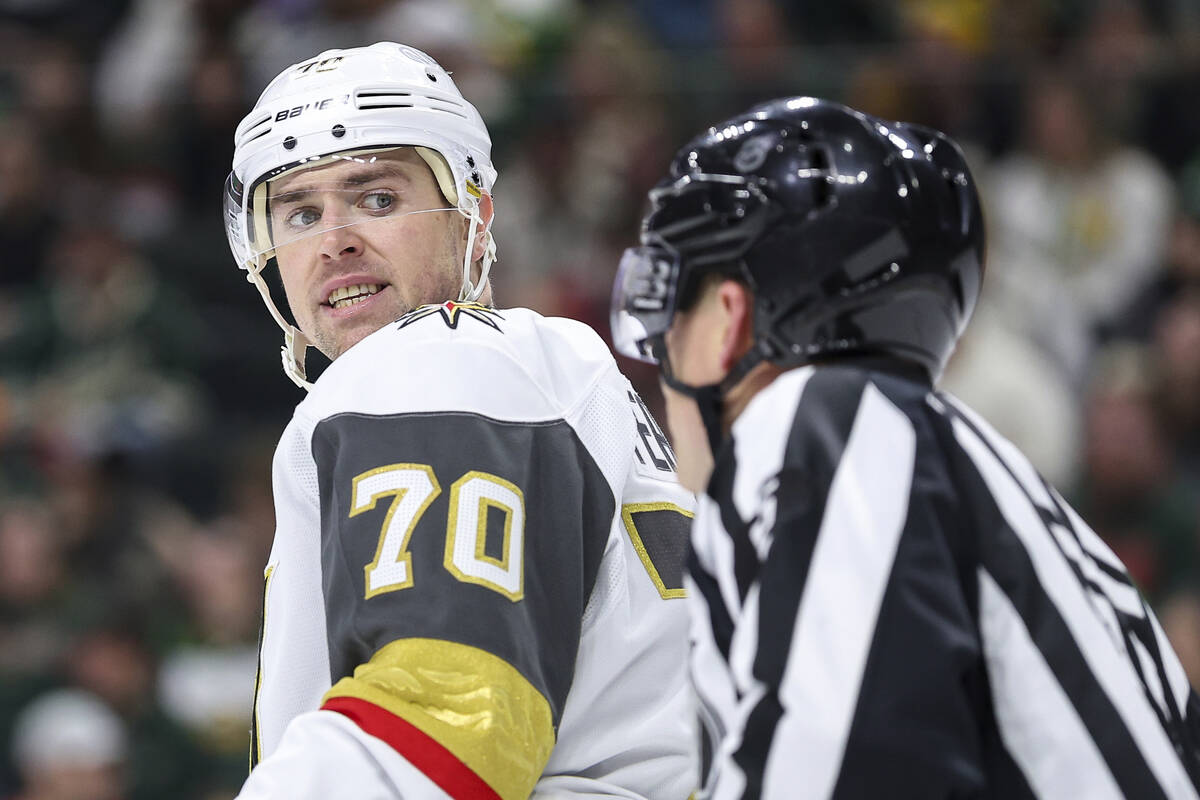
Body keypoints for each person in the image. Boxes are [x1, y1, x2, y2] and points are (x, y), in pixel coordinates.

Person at [610, 96, 1200, 798]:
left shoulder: (819, 419)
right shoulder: (990, 482)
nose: (661, 350)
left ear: (730, 320)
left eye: (673, 303)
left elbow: (843, 773)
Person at [223, 42, 696, 799]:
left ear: (474, 213)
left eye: (377, 198)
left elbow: (449, 714)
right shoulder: (546, 368)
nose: (334, 240)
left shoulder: (433, 363)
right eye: (301, 211)